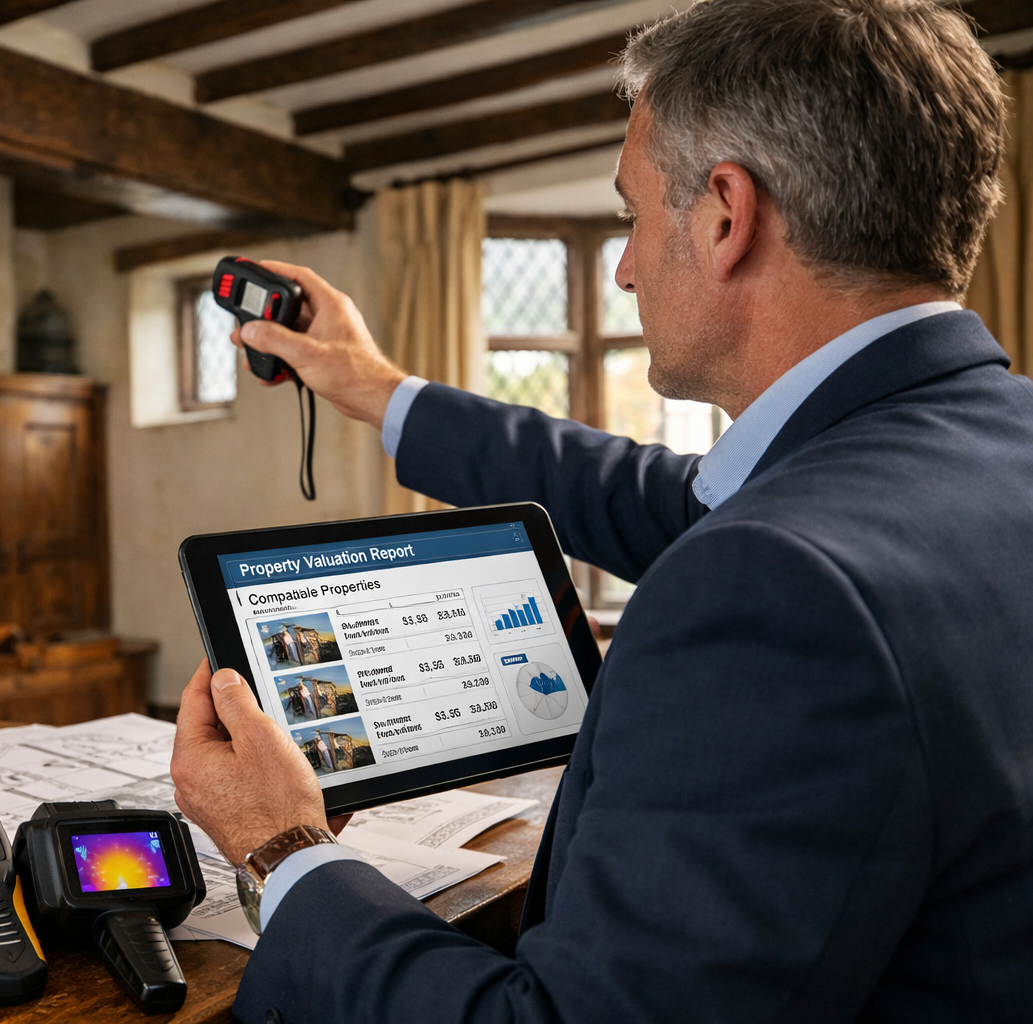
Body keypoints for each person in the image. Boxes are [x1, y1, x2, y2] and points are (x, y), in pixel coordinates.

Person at [168, 0, 1033, 1020]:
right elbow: (661, 498)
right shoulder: (974, 445)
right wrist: (376, 386)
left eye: (631, 213)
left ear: (724, 213)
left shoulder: (783, 586)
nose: (622, 266)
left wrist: (282, 848)